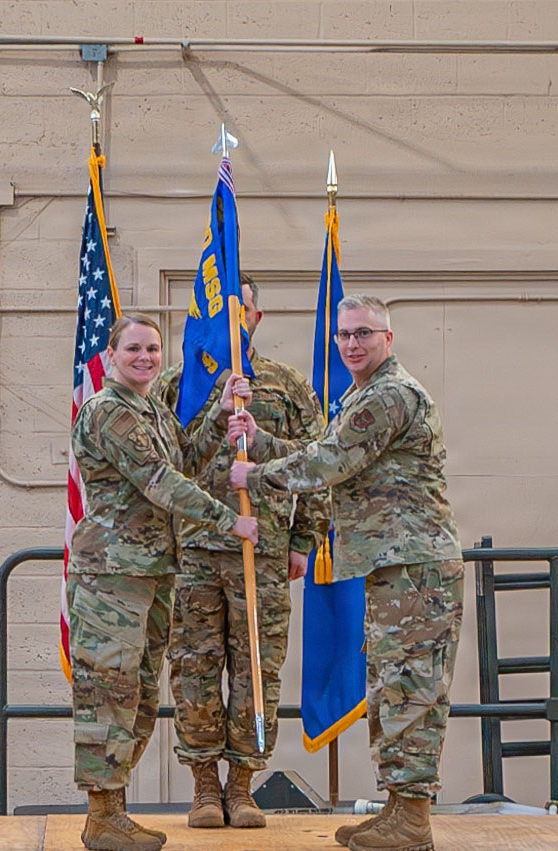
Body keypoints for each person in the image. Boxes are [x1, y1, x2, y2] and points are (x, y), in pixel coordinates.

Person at [229, 294, 464, 851]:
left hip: (415, 569)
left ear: (389, 338)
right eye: (344, 335)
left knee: (411, 691)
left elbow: (327, 464)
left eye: (363, 333)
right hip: (393, 565)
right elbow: (326, 447)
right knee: (391, 688)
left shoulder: (388, 395)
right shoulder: (365, 394)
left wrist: (256, 474)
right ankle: (399, 809)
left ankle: (413, 819)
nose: (352, 344)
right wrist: (259, 439)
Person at [66, 313, 258, 851]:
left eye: (152, 348)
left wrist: (220, 418)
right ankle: (102, 816)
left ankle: (115, 813)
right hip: (112, 576)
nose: (146, 357)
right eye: (134, 349)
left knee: (142, 695)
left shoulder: (150, 408)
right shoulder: (109, 412)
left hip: (150, 572)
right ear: (112, 355)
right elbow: (159, 481)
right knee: (108, 693)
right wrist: (229, 520)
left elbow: (186, 461)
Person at [157, 276, 330, 830]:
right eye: (222, 311)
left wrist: (306, 539)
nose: (234, 320)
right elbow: (160, 467)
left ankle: (242, 786)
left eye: (243, 310)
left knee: (258, 671)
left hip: (267, 552)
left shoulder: (285, 385)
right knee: (195, 670)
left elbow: (321, 462)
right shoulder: (178, 385)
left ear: (257, 318)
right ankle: (204, 786)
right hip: (195, 554)